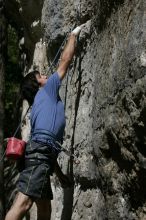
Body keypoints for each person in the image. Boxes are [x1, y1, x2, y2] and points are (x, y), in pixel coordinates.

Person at [5, 23, 86, 220]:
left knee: (45, 210)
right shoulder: (47, 90)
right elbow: (65, 61)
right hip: (40, 157)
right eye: (41, 76)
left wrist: (58, 174)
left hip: (42, 157)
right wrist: (73, 35)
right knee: (23, 203)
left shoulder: (37, 108)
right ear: (38, 84)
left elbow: (43, 146)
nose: (46, 76)